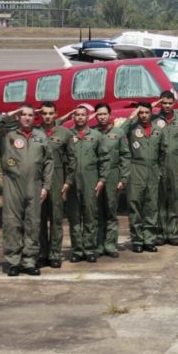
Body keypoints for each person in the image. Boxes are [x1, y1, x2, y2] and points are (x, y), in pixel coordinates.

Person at [0, 105, 53, 276]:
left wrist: (46, 186)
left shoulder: (40, 136)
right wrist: (7, 115)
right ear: (18, 117)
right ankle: (14, 261)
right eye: (23, 114)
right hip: (13, 185)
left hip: (35, 185)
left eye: (30, 115)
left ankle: (29, 261)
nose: (27, 118)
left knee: (33, 224)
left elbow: (48, 162)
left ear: (34, 118)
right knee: (12, 223)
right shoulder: (7, 136)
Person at [63, 105, 107, 263]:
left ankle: (89, 249)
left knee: (90, 216)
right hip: (72, 182)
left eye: (83, 115)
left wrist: (102, 179)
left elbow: (104, 159)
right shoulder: (67, 135)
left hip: (90, 180)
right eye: (77, 115)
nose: (80, 117)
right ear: (73, 117)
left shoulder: (96, 136)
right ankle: (77, 250)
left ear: (88, 117)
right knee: (74, 218)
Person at [119, 102, 165, 253]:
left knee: (151, 206)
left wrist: (159, 172)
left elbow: (163, 153)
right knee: (135, 205)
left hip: (153, 170)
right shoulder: (132, 128)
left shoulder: (158, 130)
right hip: (136, 168)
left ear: (151, 113)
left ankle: (149, 239)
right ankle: (137, 240)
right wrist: (131, 117)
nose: (144, 115)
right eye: (141, 113)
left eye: (146, 112)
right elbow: (119, 132)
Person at [35, 102, 72, 268]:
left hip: (57, 178)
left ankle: (55, 254)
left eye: (50, 113)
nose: (47, 116)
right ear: (40, 114)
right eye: (44, 113)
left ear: (56, 114)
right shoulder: (34, 132)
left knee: (56, 218)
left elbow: (72, 160)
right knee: (40, 219)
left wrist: (68, 181)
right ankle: (43, 253)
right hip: (37, 179)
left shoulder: (65, 133)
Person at [93, 103, 130, 258]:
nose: (102, 117)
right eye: (99, 114)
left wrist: (124, 178)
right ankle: (98, 244)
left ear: (110, 115)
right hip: (95, 175)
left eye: (104, 114)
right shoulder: (92, 133)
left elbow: (125, 155)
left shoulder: (119, 133)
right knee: (96, 211)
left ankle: (110, 244)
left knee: (111, 209)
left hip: (113, 174)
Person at [151, 91, 178, 246]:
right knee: (160, 199)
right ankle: (160, 232)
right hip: (158, 164)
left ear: (174, 103)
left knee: (173, 199)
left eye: (169, 103)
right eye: (163, 103)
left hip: (175, 164)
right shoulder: (153, 120)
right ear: (160, 103)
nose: (166, 106)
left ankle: (172, 233)